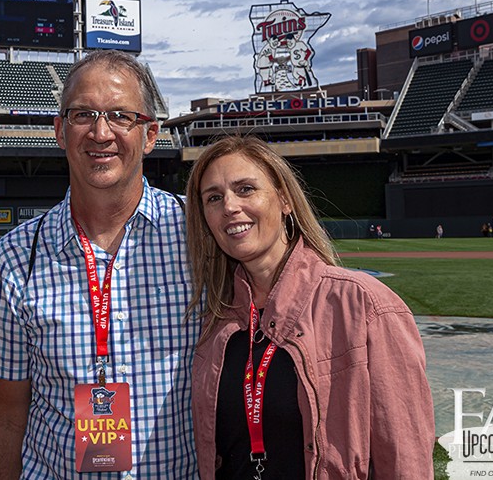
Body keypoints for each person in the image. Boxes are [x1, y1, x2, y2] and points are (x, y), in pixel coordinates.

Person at [0, 50, 198, 479]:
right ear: (59, 131)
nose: (100, 132)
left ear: (150, 135)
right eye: (82, 115)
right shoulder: (17, 256)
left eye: (120, 116)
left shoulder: (200, 236)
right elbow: (4, 416)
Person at [185, 136, 434, 479]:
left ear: (284, 199)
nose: (229, 206)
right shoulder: (216, 319)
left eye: (245, 189)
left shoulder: (364, 306)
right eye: (214, 197)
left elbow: (406, 462)